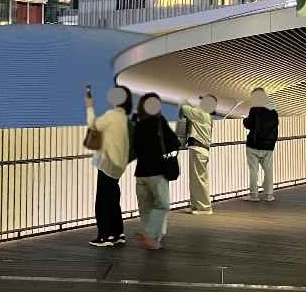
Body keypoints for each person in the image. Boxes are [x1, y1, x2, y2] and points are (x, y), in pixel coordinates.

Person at [85, 85, 133, 247]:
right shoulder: (126, 119)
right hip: (119, 165)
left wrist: (89, 106)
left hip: (107, 163)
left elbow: (93, 125)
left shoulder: (112, 116)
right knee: (113, 198)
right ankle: (118, 233)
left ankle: (104, 236)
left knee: (102, 201)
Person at [130, 93, 178, 250]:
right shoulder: (159, 121)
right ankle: (151, 236)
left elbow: (134, 148)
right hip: (157, 172)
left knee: (146, 208)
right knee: (162, 205)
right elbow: (174, 142)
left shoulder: (137, 122)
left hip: (140, 173)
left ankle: (152, 240)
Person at [177, 95, 217, 215]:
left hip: (198, 149)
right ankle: (196, 206)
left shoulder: (200, 113)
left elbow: (184, 107)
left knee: (199, 180)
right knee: (196, 180)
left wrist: (186, 100)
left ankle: (204, 208)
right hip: (200, 149)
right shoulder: (206, 115)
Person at [243, 88, 280, 202]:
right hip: (268, 146)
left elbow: (249, 124)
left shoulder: (255, 109)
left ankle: (254, 195)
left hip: (253, 145)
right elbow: (275, 127)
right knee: (268, 170)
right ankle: (269, 195)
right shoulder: (273, 111)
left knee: (253, 171)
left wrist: (245, 120)